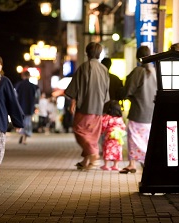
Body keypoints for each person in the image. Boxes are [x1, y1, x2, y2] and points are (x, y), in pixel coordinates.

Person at [64, 42, 110, 170]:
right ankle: (86, 161)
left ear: (87, 53)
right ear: (99, 54)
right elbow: (107, 91)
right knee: (92, 134)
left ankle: (94, 155)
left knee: (79, 130)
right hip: (98, 107)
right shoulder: (104, 69)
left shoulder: (84, 67)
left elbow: (76, 87)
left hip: (85, 106)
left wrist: (73, 101)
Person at [119, 45, 157, 174]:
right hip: (153, 113)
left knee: (134, 138)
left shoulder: (138, 71)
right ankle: (149, 161)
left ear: (139, 57)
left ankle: (132, 163)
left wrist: (122, 95)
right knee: (148, 138)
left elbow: (128, 89)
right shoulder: (156, 72)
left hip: (138, 111)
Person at [15, 70, 40, 144]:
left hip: (20, 107)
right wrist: (36, 105)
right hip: (30, 107)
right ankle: (24, 137)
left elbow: (14, 96)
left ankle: (22, 135)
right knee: (28, 122)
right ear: (29, 76)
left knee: (21, 122)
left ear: (22, 76)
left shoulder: (18, 85)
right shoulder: (34, 86)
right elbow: (37, 97)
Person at [100, 100, 126, 171]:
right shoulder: (119, 118)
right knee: (117, 150)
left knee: (107, 150)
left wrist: (101, 132)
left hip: (109, 136)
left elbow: (103, 125)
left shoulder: (107, 117)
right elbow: (123, 126)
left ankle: (106, 165)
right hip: (118, 137)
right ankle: (115, 166)